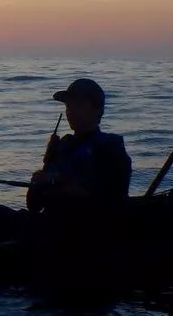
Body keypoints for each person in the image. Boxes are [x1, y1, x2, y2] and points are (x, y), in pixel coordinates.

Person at [26, 78, 131, 219]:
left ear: (97, 110)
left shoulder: (110, 148)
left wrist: (56, 181)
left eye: (79, 105)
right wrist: (36, 183)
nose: (71, 111)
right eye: (68, 106)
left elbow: (109, 202)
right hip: (49, 226)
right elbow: (34, 206)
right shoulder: (61, 146)